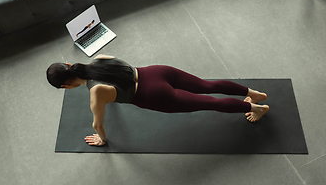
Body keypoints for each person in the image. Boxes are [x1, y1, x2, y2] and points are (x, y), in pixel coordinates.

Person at [46, 54, 269, 146]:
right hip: (157, 72)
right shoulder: (98, 59)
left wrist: (102, 139)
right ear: (68, 65)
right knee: (207, 85)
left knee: (208, 102)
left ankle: (255, 107)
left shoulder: (96, 93)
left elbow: (98, 124)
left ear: (66, 86)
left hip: (155, 95)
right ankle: (255, 92)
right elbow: (117, 74)